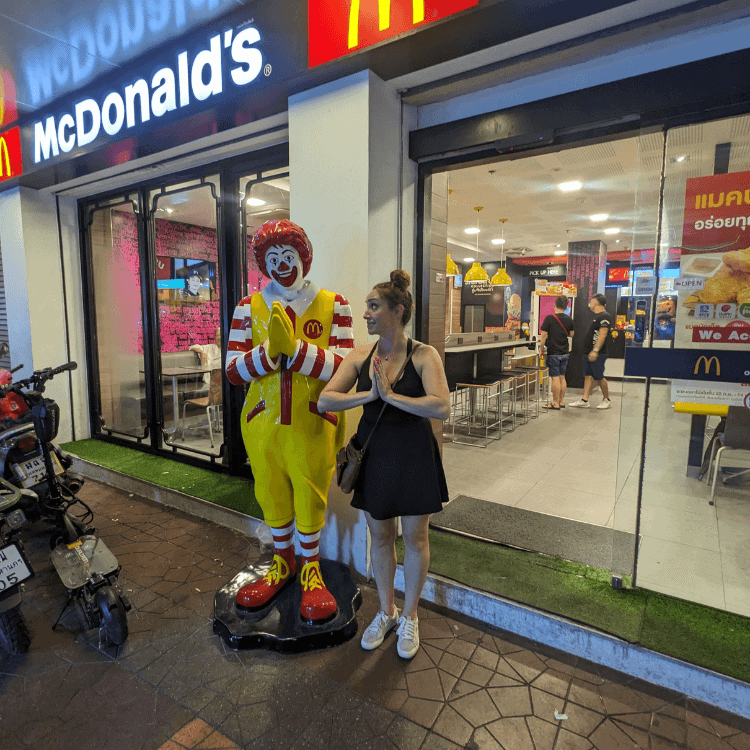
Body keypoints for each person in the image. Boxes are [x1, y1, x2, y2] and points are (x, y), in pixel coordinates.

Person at [225, 220, 353, 624]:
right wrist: (267, 354)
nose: (282, 264)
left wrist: (295, 351)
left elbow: (348, 368)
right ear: (264, 264)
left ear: (305, 257)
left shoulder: (336, 304)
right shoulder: (248, 307)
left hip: (313, 423)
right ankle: (283, 563)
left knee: (311, 493)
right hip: (261, 424)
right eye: (273, 258)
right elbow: (231, 370)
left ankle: (310, 569)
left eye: (289, 256)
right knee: (271, 491)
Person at [318, 271, 451, 659]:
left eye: (373, 307)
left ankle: (410, 616)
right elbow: (326, 400)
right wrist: (368, 395)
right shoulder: (360, 356)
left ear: (399, 310)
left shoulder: (425, 354)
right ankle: (386, 611)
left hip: (414, 456)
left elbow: (441, 406)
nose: (366, 314)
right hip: (375, 458)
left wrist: (391, 396)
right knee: (379, 537)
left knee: (416, 539)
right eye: (367, 308)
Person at [570, 293, 612, 409]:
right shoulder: (596, 316)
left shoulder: (604, 316)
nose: (590, 303)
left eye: (591, 301)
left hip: (598, 353)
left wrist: (595, 350)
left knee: (599, 376)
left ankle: (606, 399)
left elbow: (602, 334)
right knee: (588, 376)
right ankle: (585, 400)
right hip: (588, 352)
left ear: (596, 302)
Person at [539, 295, 574, 410]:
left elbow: (543, 336)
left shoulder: (549, 318)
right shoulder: (569, 319)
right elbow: (572, 334)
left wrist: (541, 349)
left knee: (555, 378)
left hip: (554, 352)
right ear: (566, 306)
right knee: (562, 377)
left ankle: (555, 402)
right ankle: (561, 401)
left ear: (555, 305)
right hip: (565, 352)